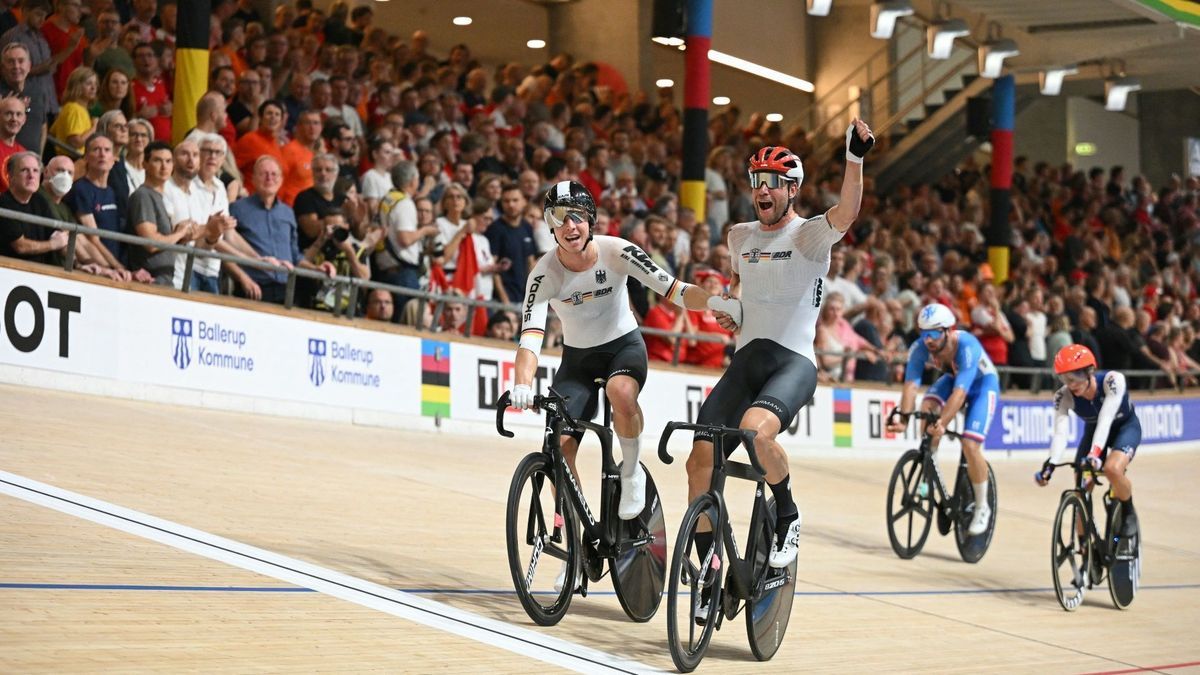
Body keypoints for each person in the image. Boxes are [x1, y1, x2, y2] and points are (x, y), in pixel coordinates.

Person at [507, 180, 728, 589]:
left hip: (623, 348)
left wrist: (718, 303)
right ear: (550, 228)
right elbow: (530, 338)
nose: (568, 225)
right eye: (558, 219)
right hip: (577, 362)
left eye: (575, 216)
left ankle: (631, 473)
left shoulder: (617, 251)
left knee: (620, 392)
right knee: (560, 445)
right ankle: (574, 549)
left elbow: (675, 291)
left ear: (590, 218)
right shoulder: (544, 274)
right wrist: (520, 382)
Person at [687, 121, 875, 584]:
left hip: (793, 363)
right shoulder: (739, 236)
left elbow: (847, 212)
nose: (762, 191)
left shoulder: (809, 236)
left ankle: (788, 513)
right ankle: (711, 564)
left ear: (792, 189)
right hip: (746, 362)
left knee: (755, 433)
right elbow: (739, 289)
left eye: (772, 183)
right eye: (756, 182)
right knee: (699, 460)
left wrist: (854, 158)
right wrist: (731, 311)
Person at [889, 302, 1000, 536]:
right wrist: (904, 418)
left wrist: (942, 423)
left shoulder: (967, 345)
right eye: (923, 333)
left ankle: (982, 507)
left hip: (982, 386)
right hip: (953, 379)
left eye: (933, 333)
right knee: (928, 405)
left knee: (970, 445)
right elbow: (910, 386)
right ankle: (929, 472)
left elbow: (960, 394)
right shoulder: (920, 348)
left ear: (949, 330)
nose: (928, 340)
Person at [1036, 344, 1139, 538]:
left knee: (1112, 469)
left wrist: (1094, 454)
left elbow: (1106, 418)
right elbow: (1061, 433)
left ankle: (1128, 512)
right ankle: (1085, 546)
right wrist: (1051, 464)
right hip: (1093, 432)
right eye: (1064, 379)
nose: (1070, 384)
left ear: (1089, 371)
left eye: (1074, 378)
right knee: (1081, 488)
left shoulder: (1113, 381)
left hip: (1124, 428)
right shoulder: (1062, 396)